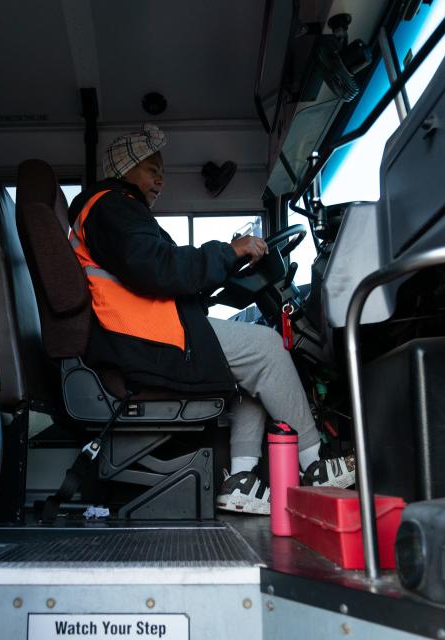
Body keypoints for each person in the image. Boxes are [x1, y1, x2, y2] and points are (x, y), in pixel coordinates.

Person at [68, 123, 354, 515]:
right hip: (143, 343)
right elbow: (160, 269)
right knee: (268, 347)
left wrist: (216, 275)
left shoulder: (113, 211)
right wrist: (227, 252)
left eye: (163, 173)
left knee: (252, 371)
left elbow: (159, 272)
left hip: (141, 338)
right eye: (152, 169)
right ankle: (315, 465)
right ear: (125, 168)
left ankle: (241, 480)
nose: (160, 180)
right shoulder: (112, 206)